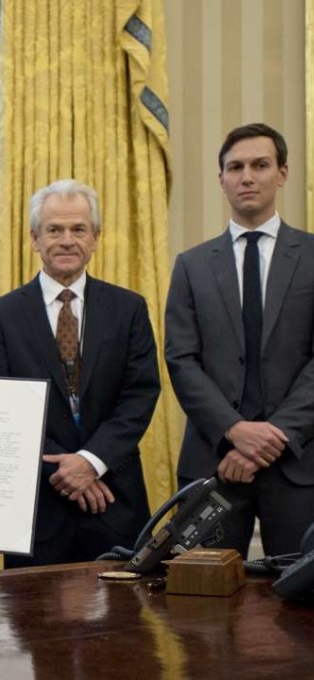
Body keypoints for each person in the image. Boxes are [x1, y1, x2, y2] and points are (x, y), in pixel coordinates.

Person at [0, 179, 160, 567]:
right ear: (34, 239)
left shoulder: (128, 309)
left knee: (124, 625)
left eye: (78, 229)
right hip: (38, 509)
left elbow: (140, 394)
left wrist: (91, 461)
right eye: (54, 229)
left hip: (114, 502)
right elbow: (2, 412)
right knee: (34, 625)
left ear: (95, 237)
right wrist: (67, 470)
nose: (66, 240)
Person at [165, 123, 314, 558]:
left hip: (297, 465)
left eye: (260, 165)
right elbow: (181, 359)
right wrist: (233, 430)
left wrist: (271, 438)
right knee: (203, 608)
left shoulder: (311, 257)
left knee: (301, 609)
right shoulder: (191, 265)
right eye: (235, 167)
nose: (247, 176)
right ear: (222, 179)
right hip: (213, 462)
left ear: (282, 173)